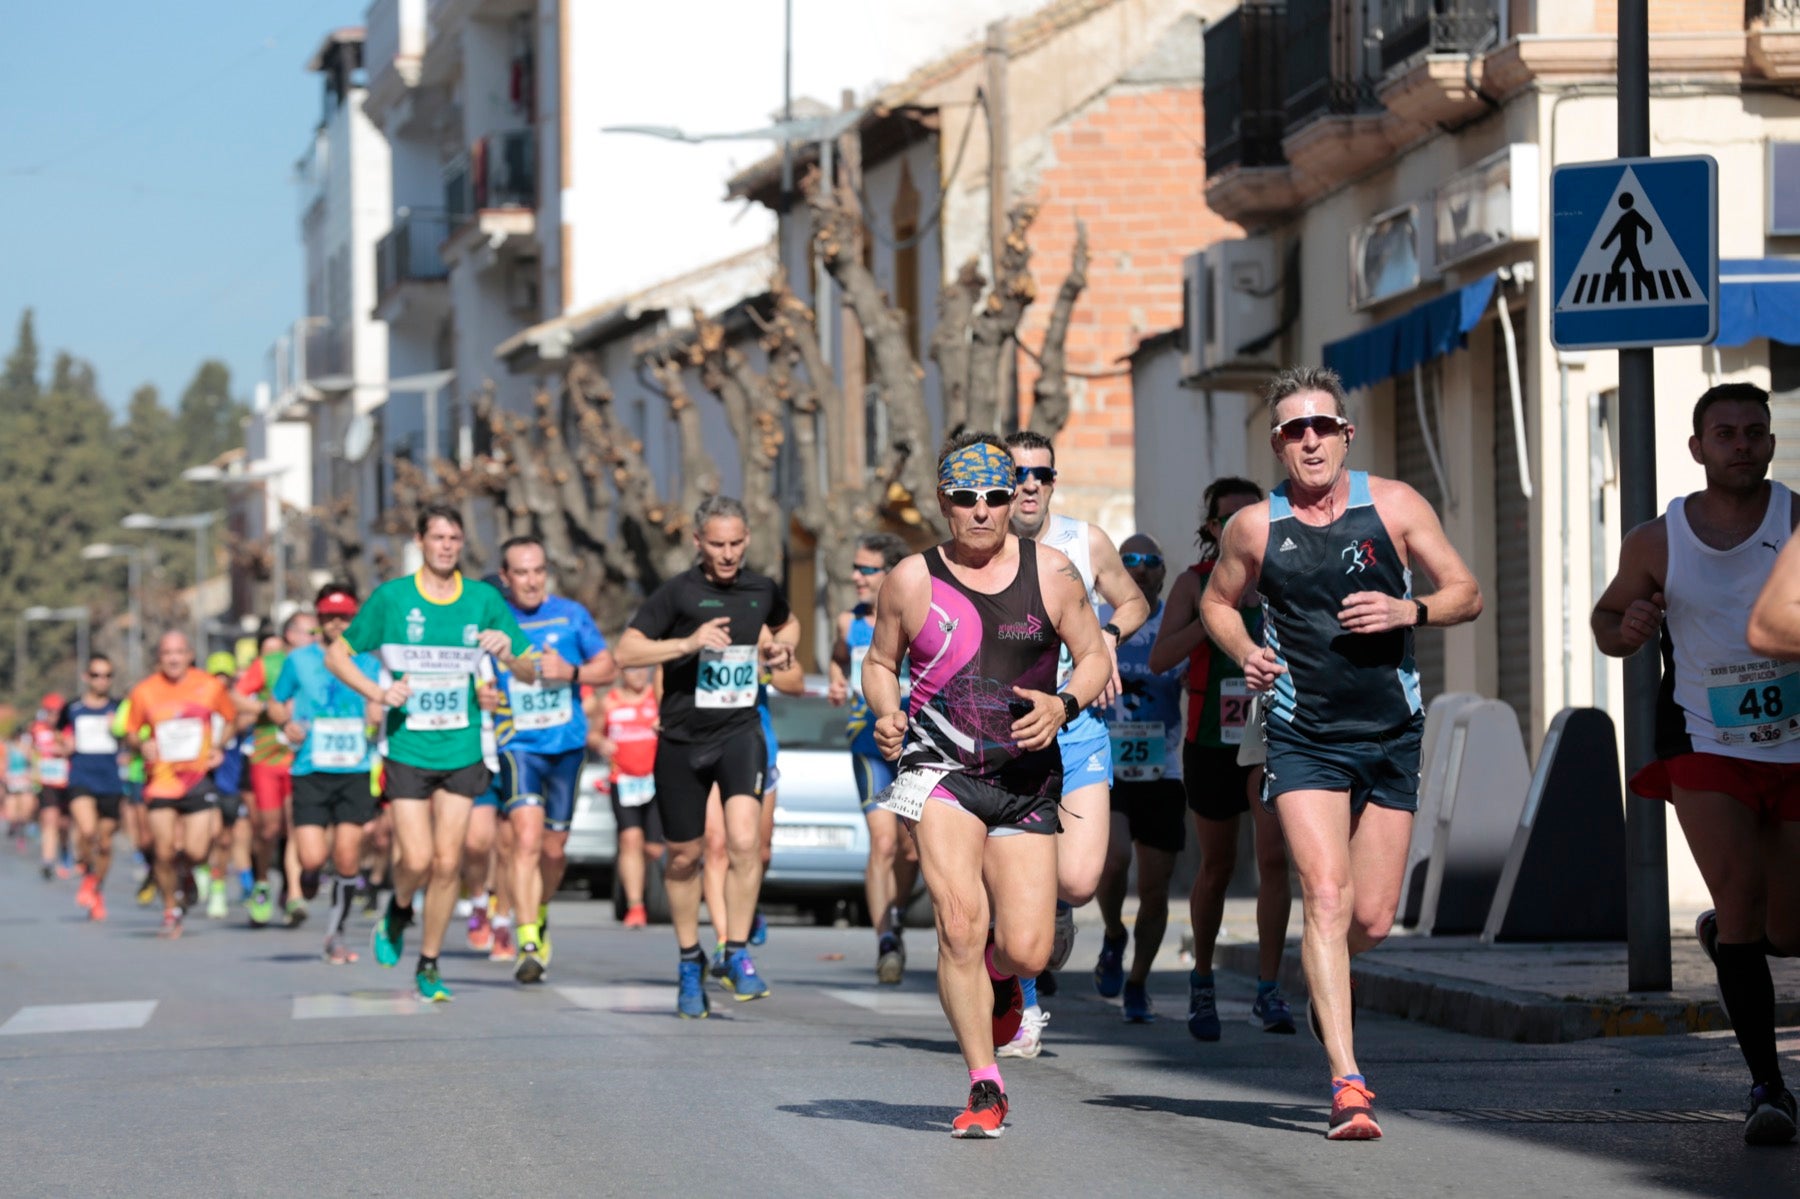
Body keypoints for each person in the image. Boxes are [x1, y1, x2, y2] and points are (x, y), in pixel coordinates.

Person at [1201, 367, 1481, 1141]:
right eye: (1295, 430)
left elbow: (1468, 590)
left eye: (1322, 425)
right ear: (1278, 443)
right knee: (1324, 894)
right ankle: (1348, 1082)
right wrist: (1246, 651)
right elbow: (1216, 604)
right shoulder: (1255, 527)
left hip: (1391, 732)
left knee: (1372, 917)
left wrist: (1409, 606)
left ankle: (1326, 960)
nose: (1311, 439)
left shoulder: (1392, 505)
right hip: (1302, 732)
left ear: (1346, 433)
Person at [864, 431, 1110, 1138]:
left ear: (1014, 502)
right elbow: (881, 662)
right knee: (959, 922)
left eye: (996, 496)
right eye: (966, 498)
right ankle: (984, 1081)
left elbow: (1092, 655)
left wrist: (1064, 703)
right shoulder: (912, 578)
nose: (981, 511)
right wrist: (886, 712)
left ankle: (1005, 979)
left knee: (1027, 947)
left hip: (1027, 775)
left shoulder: (1055, 572)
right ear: (943, 501)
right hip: (939, 769)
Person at [1594, 381, 1799, 1146]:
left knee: (1790, 925)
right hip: (1704, 742)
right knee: (1742, 895)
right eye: (1725, 433)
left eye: (1754, 432)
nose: (1741, 444)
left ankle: (1732, 939)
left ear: (1772, 444)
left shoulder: (1795, 517)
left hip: (1794, 741)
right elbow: (1608, 619)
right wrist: (1631, 625)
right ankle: (1768, 1087)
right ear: (1697, 447)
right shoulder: (1659, 537)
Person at [328, 505, 534, 1002]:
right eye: (437, 537)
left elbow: (530, 670)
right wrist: (377, 695)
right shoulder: (392, 600)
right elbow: (337, 655)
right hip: (407, 747)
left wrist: (509, 652)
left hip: (462, 749)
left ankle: (429, 962)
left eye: (454, 537)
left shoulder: (484, 599)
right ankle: (399, 909)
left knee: (448, 863)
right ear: (419, 540)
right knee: (417, 858)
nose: (446, 545)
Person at [614, 495, 801, 1017]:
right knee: (683, 857)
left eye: (736, 544)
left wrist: (779, 650)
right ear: (698, 543)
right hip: (680, 740)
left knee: (744, 843)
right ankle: (688, 957)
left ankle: (735, 951)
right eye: (717, 544)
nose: (727, 554)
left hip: (740, 732)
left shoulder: (761, 589)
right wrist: (686, 644)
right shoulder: (676, 594)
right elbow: (625, 652)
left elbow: (787, 625)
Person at [1150, 478, 1296, 1041]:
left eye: (1250, 515)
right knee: (1216, 867)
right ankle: (1203, 980)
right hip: (1210, 740)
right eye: (1227, 519)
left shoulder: (1285, 578)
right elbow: (1163, 657)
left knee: (1274, 860)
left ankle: (1268, 988)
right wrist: (1213, 621)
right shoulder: (1195, 584)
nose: (1239, 526)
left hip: (1272, 734)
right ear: (1212, 528)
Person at [1004, 431, 1149, 985]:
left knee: (1080, 881)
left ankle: (1056, 909)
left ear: (1053, 482)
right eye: (1018, 475)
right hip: (1008, 729)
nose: (1031, 485)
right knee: (1015, 874)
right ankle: (1024, 1005)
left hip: (1076, 720)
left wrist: (1108, 636)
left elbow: (1134, 599)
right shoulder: (985, 547)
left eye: (1042, 474)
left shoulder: (1084, 541)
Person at [492, 535, 616, 984]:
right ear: (506, 578)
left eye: (538, 570)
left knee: (553, 850)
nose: (531, 580)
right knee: (525, 840)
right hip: (518, 745)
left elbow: (609, 666)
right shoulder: (495, 620)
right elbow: (472, 674)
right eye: (521, 572)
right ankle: (527, 938)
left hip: (565, 745)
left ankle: (538, 908)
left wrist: (573, 672)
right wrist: (482, 693)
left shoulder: (571, 615)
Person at [1091, 533, 1191, 1026]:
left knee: (1155, 889)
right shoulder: (1098, 620)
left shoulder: (1176, 620)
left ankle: (1138, 982)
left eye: (1151, 561)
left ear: (1162, 573)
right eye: (1129, 560)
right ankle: (1112, 933)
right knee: (1112, 862)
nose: (1140, 568)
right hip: (1107, 766)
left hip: (1162, 769)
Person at [269, 584, 385, 965]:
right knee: (313, 856)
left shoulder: (369, 661)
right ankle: (304, 881)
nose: (336, 623)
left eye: (344, 616)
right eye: (329, 617)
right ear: (318, 619)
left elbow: (385, 700)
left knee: (348, 857)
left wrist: (376, 713)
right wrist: (286, 723)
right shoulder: (299, 659)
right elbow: (275, 702)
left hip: (354, 769)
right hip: (310, 769)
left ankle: (336, 934)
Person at [830, 531, 918, 985]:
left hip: (915, 743)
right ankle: (885, 938)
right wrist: (835, 681)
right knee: (883, 842)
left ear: (890, 572)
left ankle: (897, 914)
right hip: (868, 743)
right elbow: (840, 657)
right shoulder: (849, 620)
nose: (856, 577)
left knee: (909, 847)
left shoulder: (914, 610)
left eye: (866, 569)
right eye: (856, 568)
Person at [125, 631, 241, 938]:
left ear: (190, 655)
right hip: (161, 782)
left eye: (179, 652)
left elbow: (231, 718)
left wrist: (220, 745)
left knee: (197, 851)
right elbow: (133, 731)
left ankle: (188, 875)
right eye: (166, 653)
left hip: (198, 780)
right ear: (159, 658)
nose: (173, 658)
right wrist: (142, 745)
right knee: (163, 851)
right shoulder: (144, 691)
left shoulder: (209, 686)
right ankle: (170, 909)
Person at [236, 613, 318, 927]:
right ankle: (261, 882)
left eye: (314, 630)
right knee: (269, 828)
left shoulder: (320, 662)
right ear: (288, 635)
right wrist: (268, 709)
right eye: (305, 631)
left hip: (304, 757)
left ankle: (294, 892)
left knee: (297, 825)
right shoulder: (269, 663)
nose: (312, 636)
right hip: (268, 757)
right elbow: (237, 695)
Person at [58, 655, 127, 922]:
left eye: (107, 675)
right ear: (86, 677)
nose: (102, 681)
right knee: (88, 831)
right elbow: (57, 733)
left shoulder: (119, 707)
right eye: (97, 675)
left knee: (106, 844)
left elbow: (133, 736)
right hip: (81, 777)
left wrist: (119, 732)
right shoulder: (72, 708)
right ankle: (87, 874)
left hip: (110, 780)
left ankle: (96, 888)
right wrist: (64, 745)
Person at [595, 666, 660, 927]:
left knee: (653, 849)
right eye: (634, 670)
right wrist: (601, 743)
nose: (639, 675)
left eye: (643, 670)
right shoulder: (608, 701)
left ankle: (633, 874)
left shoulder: (657, 697)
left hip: (656, 781)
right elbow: (593, 733)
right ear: (623, 672)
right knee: (630, 838)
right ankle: (636, 906)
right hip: (623, 780)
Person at [30, 696, 71, 881]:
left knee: (64, 824)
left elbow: (72, 748)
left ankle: (64, 850)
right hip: (47, 782)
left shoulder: (69, 729)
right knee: (49, 819)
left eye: (57, 713)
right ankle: (48, 861)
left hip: (67, 781)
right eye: (50, 712)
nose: (53, 716)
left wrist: (61, 748)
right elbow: (31, 750)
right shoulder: (38, 729)